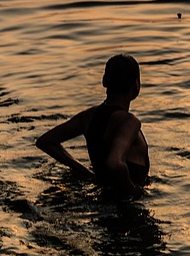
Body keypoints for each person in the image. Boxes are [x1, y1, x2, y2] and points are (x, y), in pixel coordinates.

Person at [36, 54, 150, 194]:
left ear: (104, 81)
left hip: (101, 199)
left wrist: (86, 173)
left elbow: (45, 141)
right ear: (136, 85)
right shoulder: (129, 122)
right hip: (126, 206)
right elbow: (114, 163)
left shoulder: (88, 117)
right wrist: (132, 191)